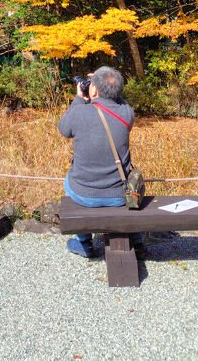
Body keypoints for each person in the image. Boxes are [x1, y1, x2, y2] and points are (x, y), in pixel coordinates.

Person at [58, 64, 143, 258]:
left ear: (93, 89)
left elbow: (64, 129)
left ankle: (84, 242)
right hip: (120, 195)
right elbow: (117, 102)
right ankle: (136, 238)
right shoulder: (127, 113)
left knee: (68, 181)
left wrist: (80, 98)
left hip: (84, 195)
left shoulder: (80, 112)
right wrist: (103, 85)